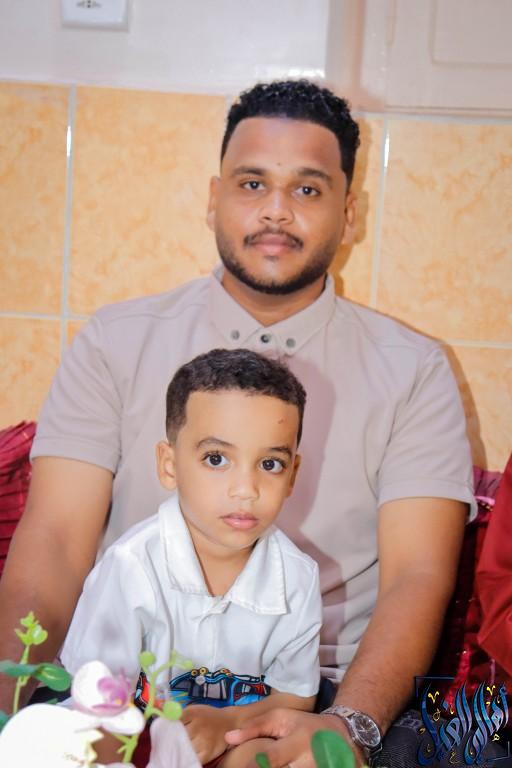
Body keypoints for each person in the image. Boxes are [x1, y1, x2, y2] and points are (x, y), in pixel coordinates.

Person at [0, 79, 475, 766]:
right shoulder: (114, 342)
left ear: (349, 215)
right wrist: (13, 702)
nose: (276, 210)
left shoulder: (415, 370)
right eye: (253, 184)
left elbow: (418, 576)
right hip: (127, 684)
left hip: (317, 693)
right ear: (213, 198)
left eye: (307, 188)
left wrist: (348, 726)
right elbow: (54, 542)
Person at [61, 348, 322, 767]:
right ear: (170, 465)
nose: (246, 489)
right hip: (124, 735)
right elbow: (94, 701)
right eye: (216, 459)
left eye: (270, 464)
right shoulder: (131, 567)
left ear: (292, 475)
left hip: (232, 735)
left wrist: (229, 722)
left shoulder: (298, 578)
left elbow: (295, 695)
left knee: (272, 757)